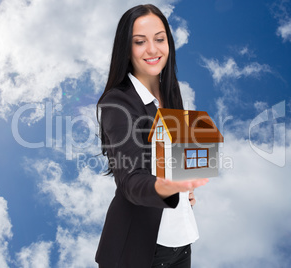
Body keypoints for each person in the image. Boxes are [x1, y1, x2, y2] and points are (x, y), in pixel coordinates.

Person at [95, 4, 208, 268]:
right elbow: (131, 180)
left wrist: (185, 187)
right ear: (126, 48)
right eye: (140, 42)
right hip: (139, 250)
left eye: (160, 39)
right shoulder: (117, 103)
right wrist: (166, 188)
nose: (153, 50)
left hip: (181, 243)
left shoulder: (171, 94)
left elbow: (174, 161)